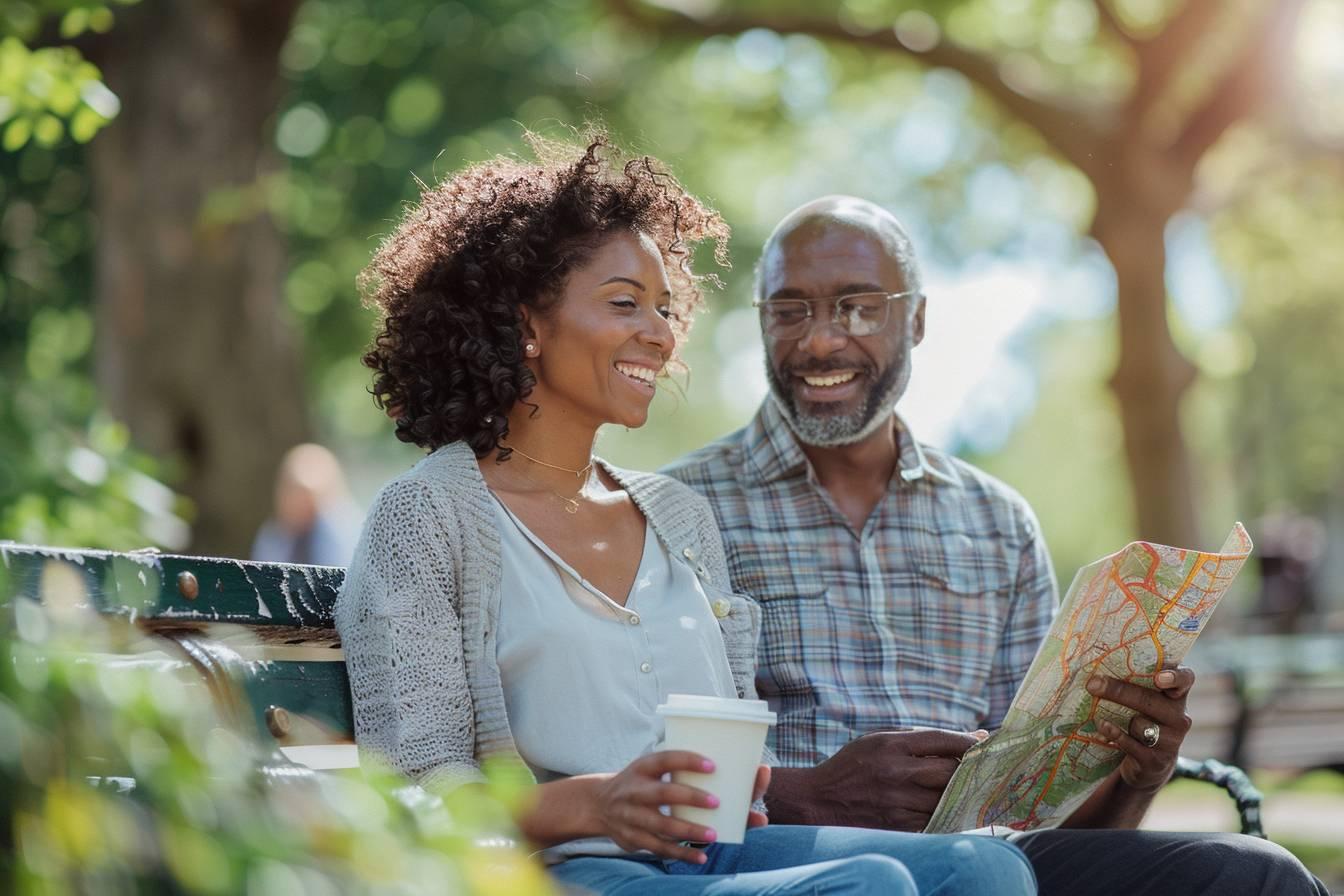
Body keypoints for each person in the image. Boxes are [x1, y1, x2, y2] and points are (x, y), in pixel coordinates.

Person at [334, 138, 1037, 895]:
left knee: (984, 868)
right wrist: (594, 801)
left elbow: (732, 783)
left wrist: (744, 788)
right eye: (626, 303)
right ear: (527, 325)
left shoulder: (677, 516)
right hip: (563, 873)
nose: (663, 334)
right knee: (868, 888)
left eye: (666, 308)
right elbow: (417, 798)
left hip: (709, 861)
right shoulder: (426, 517)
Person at [664, 195, 1328, 896]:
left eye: (858, 306)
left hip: (992, 864)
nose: (822, 341)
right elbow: (640, 764)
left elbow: (1044, 815)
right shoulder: (675, 512)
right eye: (790, 310)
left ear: (915, 320)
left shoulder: (997, 522)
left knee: (1256, 876)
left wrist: (1137, 778)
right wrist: (808, 793)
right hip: (794, 861)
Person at [251, 443, 362, 567]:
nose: (298, 502)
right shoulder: (273, 536)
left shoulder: (344, 535)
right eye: (291, 490)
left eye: (307, 494)